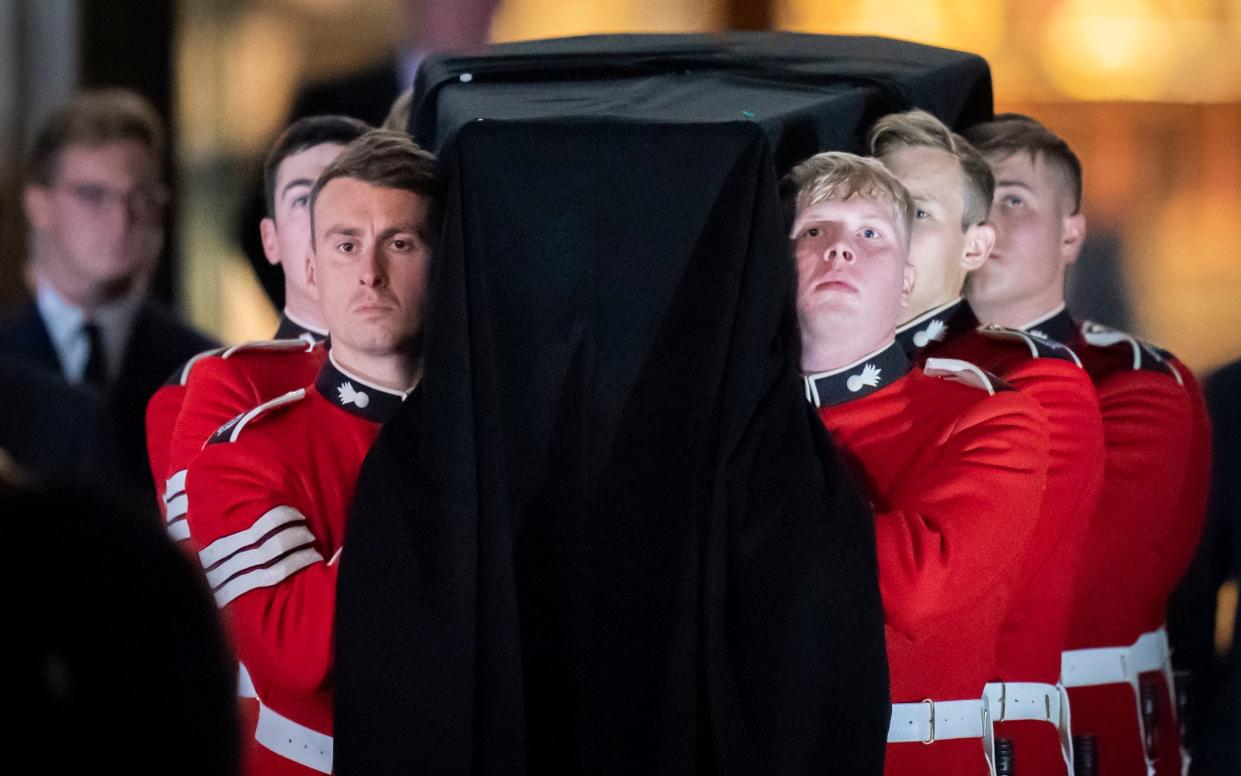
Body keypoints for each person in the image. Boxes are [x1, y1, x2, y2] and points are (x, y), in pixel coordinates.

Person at [185, 129, 438, 775]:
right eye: (345, 244)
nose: (370, 272)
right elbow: (295, 658)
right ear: (309, 268)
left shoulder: (507, 437)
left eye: (400, 243)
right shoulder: (245, 455)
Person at [790, 150, 1050, 775]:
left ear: (906, 278)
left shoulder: (986, 417)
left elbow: (918, 591)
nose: (840, 250)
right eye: (813, 231)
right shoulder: (724, 418)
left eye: (870, 233)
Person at [964, 114, 1208, 776]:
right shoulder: (905, 366)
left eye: (1012, 200)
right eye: (970, 200)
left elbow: (1078, 577)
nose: (984, 226)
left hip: (1083, 733)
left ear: (1072, 233)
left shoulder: (1133, 376)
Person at [871, 110, 1105, 775]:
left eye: (913, 213)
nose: (883, 235)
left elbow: (943, 601)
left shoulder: (1028, 382)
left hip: (971, 739)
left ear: (974, 245)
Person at [145, 115, 370, 541]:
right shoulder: (200, 390)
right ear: (271, 239)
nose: (328, 222)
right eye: (305, 200)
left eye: (348, 196)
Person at [0, 89, 217, 496]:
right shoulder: (6, 356)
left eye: (140, 197)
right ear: (38, 205)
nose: (120, 219)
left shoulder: (203, 371)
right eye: (92, 195)